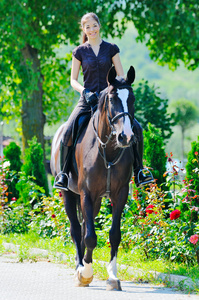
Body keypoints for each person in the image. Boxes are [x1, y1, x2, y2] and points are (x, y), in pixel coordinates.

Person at [54, 12, 153, 190]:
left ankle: (139, 171)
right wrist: (84, 91)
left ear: (99, 26)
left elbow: (121, 74)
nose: (91, 30)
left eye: (94, 25)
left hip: (110, 100)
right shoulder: (79, 51)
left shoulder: (112, 48)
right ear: (83, 29)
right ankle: (64, 174)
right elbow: (73, 80)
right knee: (68, 130)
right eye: (87, 27)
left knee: (136, 128)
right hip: (87, 100)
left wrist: (118, 88)